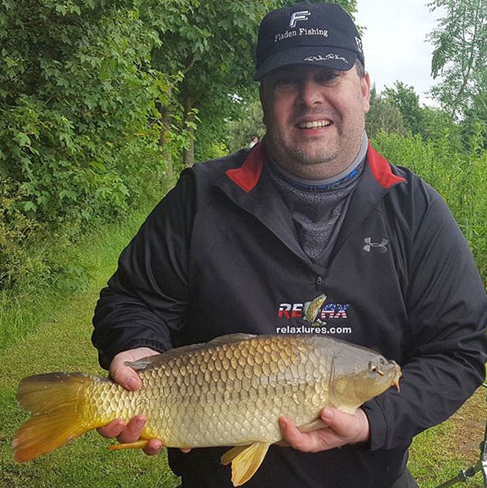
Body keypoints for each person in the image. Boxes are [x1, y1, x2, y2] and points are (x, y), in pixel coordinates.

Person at [92, 2, 487, 487]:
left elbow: (461, 349)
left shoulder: (416, 211)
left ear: (364, 89)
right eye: (286, 81)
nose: (308, 97)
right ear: (263, 96)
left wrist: (374, 421)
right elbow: (133, 299)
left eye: (328, 75)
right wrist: (138, 351)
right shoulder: (199, 199)